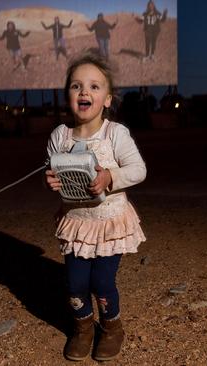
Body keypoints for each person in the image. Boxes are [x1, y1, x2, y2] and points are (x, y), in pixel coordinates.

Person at [45, 52, 147, 361]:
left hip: (108, 221)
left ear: (107, 99)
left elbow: (138, 169)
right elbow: (50, 170)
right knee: (75, 284)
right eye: (76, 86)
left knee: (101, 282)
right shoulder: (59, 136)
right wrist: (52, 182)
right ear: (68, 96)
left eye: (93, 86)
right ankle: (83, 329)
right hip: (77, 223)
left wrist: (110, 177)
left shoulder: (115, 134)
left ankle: (111, 328)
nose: (84, 92)